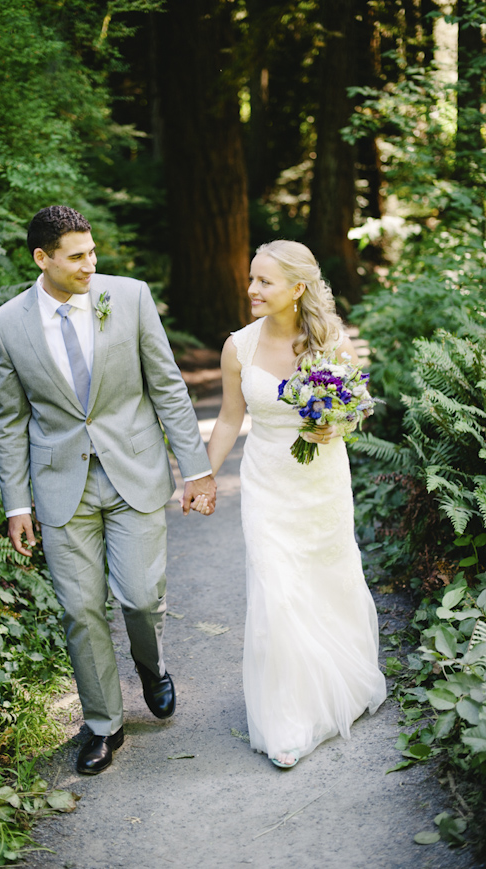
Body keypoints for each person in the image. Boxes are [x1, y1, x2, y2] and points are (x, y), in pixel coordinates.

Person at [0, 205, 216, 775]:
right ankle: (102, 724)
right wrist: (17, 503)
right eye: (77, 257)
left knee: (140, 596)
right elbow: (9, 419)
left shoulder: (130, 296)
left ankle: (151, 665)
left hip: (133, 472)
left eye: (92, 252)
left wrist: (197, 468)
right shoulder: (8, 323)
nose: (91, 264)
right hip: (60, 484)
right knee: (80, 608)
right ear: (42, 259)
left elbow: (166, 385)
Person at [193, 240, 386, 768]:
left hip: (321, 483)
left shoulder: (329, 341)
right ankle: (287, 721)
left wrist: (336, 424)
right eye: (251, 279)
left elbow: (357, 410)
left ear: (297, 288)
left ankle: (336, 687)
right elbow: (230, 418)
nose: (252, 289)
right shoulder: (239, 347)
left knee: (326, 579)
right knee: (276, 591)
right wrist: (205, 475)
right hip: (266, 484)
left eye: (264, 282)